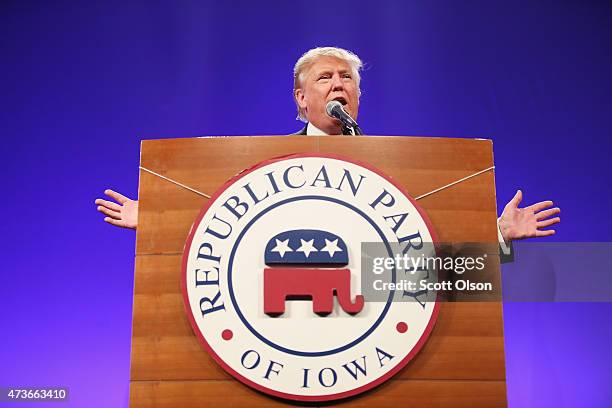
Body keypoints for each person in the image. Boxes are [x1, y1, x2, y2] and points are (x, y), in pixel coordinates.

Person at [95, 47, 560, 246]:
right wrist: (157, 223)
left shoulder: (404, 169)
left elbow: (425, 252)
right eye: (325, 78)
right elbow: (229, 231)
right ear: (301, 99)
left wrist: (497, 236)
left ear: (358, 95)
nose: (339, 85)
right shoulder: (264, 164)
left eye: (347, 79)